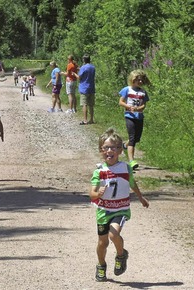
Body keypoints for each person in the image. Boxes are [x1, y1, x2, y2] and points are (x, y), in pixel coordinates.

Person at [90, 127, 149, 282]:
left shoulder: (125, 168)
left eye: (114, 147)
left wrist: (141, 198)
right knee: (102, 243)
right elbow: (92, 193)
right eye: (106, 148)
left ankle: (121, 255)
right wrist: (98, 194)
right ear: (101, 150)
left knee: (113, 234)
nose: (110, 151)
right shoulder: (99, 171)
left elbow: (132, 183)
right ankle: (101, 265)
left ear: (120, 151)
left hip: (120, 209)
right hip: (104, 210)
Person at [118, 69, 151, 170]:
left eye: (141, 80)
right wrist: (128, 107)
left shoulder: (143, 92)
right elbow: (121, 102)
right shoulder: (127, 89)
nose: (140, 82)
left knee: (137, 138)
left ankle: (125, 145)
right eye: (138, 80)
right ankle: (132, 161)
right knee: (132, 137)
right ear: (133, 80)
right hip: (129, 116)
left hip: (139, 117)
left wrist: (138, 108)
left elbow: (144, 105)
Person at [79, 54, 96, 124]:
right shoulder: (93, 67)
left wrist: (75, 74)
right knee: (91, 105)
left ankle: (85, 120)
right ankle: (91, 119)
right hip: (91, 87)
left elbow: (80, 77)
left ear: (84, 60)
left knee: (84, 104)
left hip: (84, 88)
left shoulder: (83, 67)